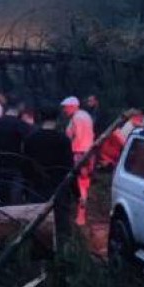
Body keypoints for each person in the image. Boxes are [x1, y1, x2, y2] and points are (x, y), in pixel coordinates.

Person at [23, 103, 74, 242]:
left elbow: (26, 166)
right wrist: (75, 192)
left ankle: (39, 257)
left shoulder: (30, 139)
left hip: (36, 189)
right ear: (57, 118)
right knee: (61, 228)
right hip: (58, 189)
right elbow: (69, 167)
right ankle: (61, 256)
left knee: (37, 227)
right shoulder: (63, 140)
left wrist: (26, 189)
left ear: (40, 117)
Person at [0, 95, 32, 205]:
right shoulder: (21, 125)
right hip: (17, 167)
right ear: (20, 107)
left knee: (3, 198)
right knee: (15, 200)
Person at [61, 95, 95, 226]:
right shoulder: (86, 115)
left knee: (80, 185)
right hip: (89, 152)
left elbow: (73, 136)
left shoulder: (76, 118)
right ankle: (81, 213)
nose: (65, 110)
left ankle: (81, 216)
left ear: (73, 106)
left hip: (79, 153)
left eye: (66, 107)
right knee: (84, 184)